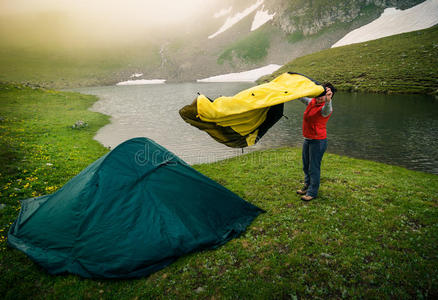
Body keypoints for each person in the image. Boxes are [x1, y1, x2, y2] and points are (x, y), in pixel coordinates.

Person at [296, 83, 336, 201]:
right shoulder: (312, 102)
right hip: (308, 139)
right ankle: (307, 186)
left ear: (328, 97)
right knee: (306, 165)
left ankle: (312, 192)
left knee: (314, 167)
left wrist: (328, 100)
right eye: (318, 95)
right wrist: (292, 91)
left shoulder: (326, 108)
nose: (319, 98)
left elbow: (327, 109)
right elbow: (301, 97)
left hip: (318, 141)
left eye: (322, 96)